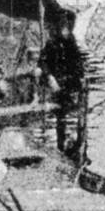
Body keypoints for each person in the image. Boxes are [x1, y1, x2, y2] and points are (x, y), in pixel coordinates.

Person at [39, 12, 85, 155]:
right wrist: (50, 78)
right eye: (63, 27)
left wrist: (77, 82)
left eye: (68, 27)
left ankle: (71, 147)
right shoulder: (51, 43)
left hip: (69, 86)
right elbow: (43, 63)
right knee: (57, 117)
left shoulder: (72, 44)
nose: (65, 30)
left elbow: (78, 68)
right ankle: (57, 146)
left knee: (71, 118)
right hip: (55, 85)